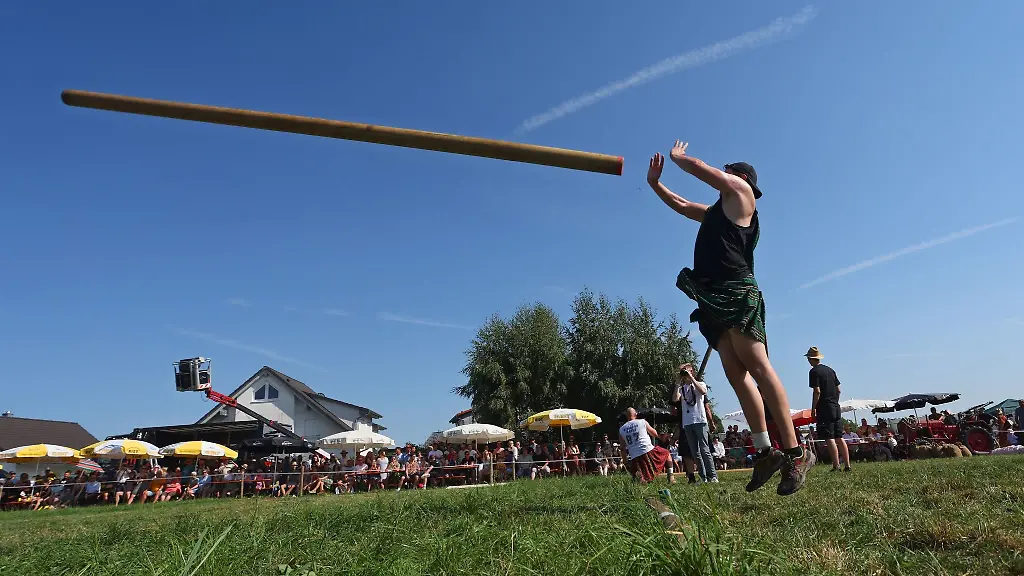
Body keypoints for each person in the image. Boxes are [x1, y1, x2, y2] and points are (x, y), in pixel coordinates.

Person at [647, 143, 814, 495]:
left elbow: (704, 169)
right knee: (737, 376)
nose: (725, 178)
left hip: (737, 291)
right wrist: (655, 184)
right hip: (713, 297)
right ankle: (766, 451)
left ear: (741, 180)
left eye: (728, 173)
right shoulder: (715, 212)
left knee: (757, 365)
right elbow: (680, 204)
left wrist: (679, 160)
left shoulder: (742, 194)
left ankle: (796, 452)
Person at [806, 346, 851, 472]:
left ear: (810, 359)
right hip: (836, 406)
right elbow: (838, 389)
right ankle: (847, 465)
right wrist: (834, 401)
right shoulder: (831, 370)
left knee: (829, 437)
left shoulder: (814, 372)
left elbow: (817, 391)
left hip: (825, 407)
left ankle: (836, 465)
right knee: (839, 436)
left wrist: (814, 408)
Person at [672, 364, 718, 483]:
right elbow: (675, 399)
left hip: (699, 420)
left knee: (704, 449)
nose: (685, 374)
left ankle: (712, 476)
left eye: (687, 371)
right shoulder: (682, 389)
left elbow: (702, 391)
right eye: (683, 372)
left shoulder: (699, 384)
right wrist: (678, 382)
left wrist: (691, 378)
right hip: (687, 423)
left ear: (692, 371)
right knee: (694, 451)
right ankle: (703, 477)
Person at [618, 407, 674, 485]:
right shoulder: (642, 422)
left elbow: (622, 448)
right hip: (648, 451)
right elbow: (654, 433)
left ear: (626, 416)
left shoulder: (621, 429)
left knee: (641, 479)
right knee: (666, 453)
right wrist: (660, 436)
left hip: (634, 456)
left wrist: (626, 463)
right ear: (636, 414)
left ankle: (641, 479)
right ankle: (671, 478)